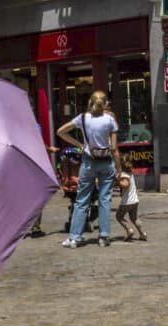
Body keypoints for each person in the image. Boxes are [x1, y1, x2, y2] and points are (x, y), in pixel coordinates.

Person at [57, 91, 120, 248]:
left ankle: (75, 237)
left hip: (88, 162)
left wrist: (79, 144)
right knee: (105, 200)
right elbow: (113, 148)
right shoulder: (110, 120)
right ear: (105, 103)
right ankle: (104, 237)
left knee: (82, 199)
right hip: (106, 162)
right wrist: (119, 168)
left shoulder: (83, 118)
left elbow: (60, 132)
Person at [116, 155, 146, 242]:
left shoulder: (124, 174)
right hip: (135, 201)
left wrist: (117, 181)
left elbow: (125, 184)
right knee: (134, 218)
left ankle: (129, 230)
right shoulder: (130, 173)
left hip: (127, 202)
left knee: (119, 216)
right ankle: (142, 233)